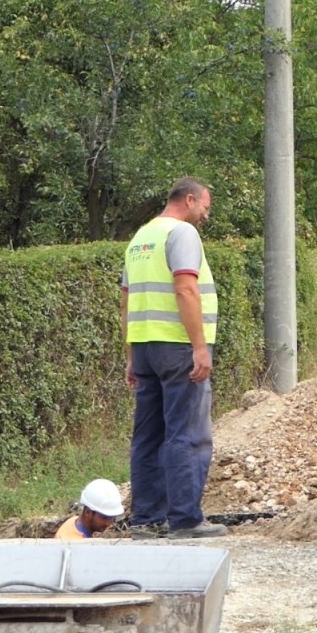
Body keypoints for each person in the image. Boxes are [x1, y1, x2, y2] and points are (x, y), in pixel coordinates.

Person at [121, 177, 226, 540]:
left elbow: (127, 298)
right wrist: (199, 346)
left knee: (148, 435)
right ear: (190, 199)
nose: (205, 216)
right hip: (178, 346)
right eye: (205, 207)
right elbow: (185, 287)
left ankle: (146, 519)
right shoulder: (181, 234)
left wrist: (131, 354)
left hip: (147, 348)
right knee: (188, 432)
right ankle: (185, 519)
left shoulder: (140, 238)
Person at [54, 479, 125, 540]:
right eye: (104, 517)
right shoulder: (75, 543)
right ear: (87, 512)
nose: (109, 523)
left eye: (112, 517)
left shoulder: (74, 522)